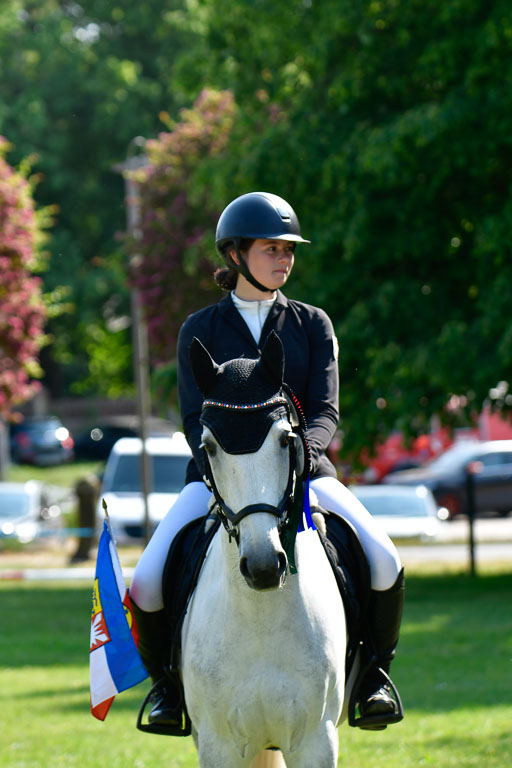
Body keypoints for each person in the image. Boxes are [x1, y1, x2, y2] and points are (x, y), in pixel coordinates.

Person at [129, 191, 404, 731]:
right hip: (218, 481)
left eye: (288, 250)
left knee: (385, 558)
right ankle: (167, 690)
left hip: (303, 474)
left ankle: (373, 676)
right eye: (271, 249)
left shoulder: (312, 324)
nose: (284, 259)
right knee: (144, 581)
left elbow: (325, 409)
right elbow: (192, 420)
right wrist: (222, 471)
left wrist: (303, 458)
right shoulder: (199, 329)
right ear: (235, 255)